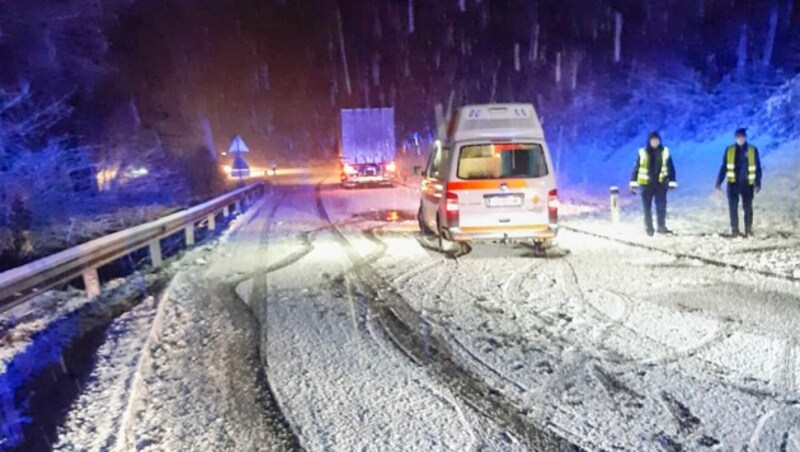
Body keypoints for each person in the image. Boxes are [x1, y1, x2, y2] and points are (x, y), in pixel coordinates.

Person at [715, 128, 762, 237]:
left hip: (747, 184)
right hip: (733, 184)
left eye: (742, 137)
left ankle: (748, 230)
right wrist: (718, 182)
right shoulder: (729, 150)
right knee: (733, 208)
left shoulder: (752, 150)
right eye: (738, 137)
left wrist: (758, 183)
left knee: (748, 208)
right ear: (735, 138)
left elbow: (758, 168)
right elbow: (724, 167)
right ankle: (735, 230)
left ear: (745, 137)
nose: (740, 139)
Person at [630, 132, 678, 236]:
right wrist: (633, 183)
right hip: (646, 185)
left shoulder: (665, 151)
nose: (655, 142)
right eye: (653, 140)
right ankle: (649, 228)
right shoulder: (642, 152)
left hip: (660, 184)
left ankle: (661, 226)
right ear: (649, 141)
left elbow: (671, 167)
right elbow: (636, 168)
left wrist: (672, 181)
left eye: (657, 140)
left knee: (661, 206)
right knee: (647, 208)